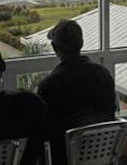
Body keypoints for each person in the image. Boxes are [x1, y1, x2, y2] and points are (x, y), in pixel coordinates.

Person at [37, 19, 117, 165]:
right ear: (81, 43)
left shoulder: (50, 85)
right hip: (102, 155)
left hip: (67, 158)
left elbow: (45, 132)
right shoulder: (104, 74)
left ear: (55, 47)